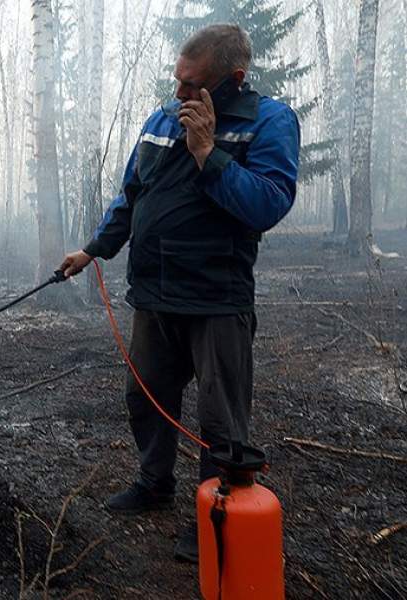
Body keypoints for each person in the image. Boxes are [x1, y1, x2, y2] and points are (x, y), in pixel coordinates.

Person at [59, 24, 300, 562]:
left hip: (217, 298)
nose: (179, 96)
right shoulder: (161, 120)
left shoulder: (270, 121)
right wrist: (95, 248)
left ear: (234, 80)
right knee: (145, 396)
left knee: (222, 420)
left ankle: (214, 515)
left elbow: (267, 203)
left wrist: (208, 152)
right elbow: (132, 195)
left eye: (193, 87)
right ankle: (154, 483)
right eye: (177, 82)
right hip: (154, 294)